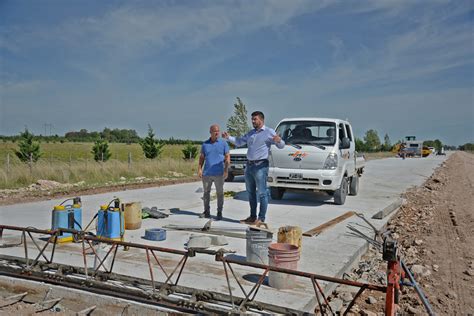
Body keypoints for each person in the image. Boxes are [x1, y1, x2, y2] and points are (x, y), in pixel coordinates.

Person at [222, 111, 285, 225]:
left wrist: (279, 140)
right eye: (252, 119)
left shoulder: (269, 132)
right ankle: (252, 217)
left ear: (261, 119)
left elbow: (282, 145)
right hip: (249, 166)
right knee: (250, 193)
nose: (253, 121)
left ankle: (261, 219)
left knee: (262, 193)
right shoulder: (251, 133)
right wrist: (228, 138)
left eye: (255, 119)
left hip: (261, 166)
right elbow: (240, 142)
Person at [198, 124, 230, 220]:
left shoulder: (224, 143)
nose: (217, 133)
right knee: (206, 193)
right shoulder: (205, 144)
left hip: (219, 173)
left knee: (220, 193)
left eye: (218, 131)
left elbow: (227, 156)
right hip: (207, 173)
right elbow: (202, 158)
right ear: (210, 132)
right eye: (214, 131)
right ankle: (206, 211)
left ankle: (219, 212)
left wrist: (226, 169)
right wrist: (199, 169)